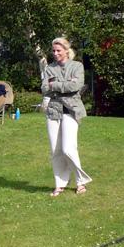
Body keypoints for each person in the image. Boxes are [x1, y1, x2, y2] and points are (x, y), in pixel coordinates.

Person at [41, 37, 92, 196]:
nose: (55, 53)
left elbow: (76, 86)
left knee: (68, 148)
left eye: (58, 50)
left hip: (71, 110)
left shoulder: (77, 66)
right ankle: (59, 184)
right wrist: (63, 85)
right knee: (56, 151)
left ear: (66, 50)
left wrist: (54, 84)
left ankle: (80, 181)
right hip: (53, 111)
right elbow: (44, 88)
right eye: (53, 51)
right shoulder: (50, 68)